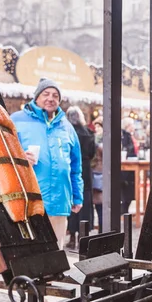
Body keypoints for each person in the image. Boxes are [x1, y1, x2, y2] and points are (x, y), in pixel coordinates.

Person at [10, 78, 84, 249]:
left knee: (56, 250)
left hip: (60, 199)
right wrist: (19, 157)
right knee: (31, 250)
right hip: (29, 199)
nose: (51, 98)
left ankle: (54, 276)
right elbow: (2, 152)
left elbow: (75, 166)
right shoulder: (17, 120)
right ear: (36, 97)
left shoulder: (67, 127)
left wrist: (77, 196)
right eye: (46, 94)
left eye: (55, 95)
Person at [65, 106, 96, 249]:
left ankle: (72, 237)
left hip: (70, 169)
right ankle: (84, 237)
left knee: (71, 202)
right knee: (85, 203)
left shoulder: (66, 132)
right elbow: (92, 153)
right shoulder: (88, 133)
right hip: (85, 170)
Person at [121, 117, 138, 214]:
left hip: (132, 163)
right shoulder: (124, 136)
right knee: (127, 189)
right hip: (127, 165)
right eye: (132, 124)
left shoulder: (130, 135)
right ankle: (123, 210)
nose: (134, 126)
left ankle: (125, 210)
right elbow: (126, 149)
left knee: (130, 190)